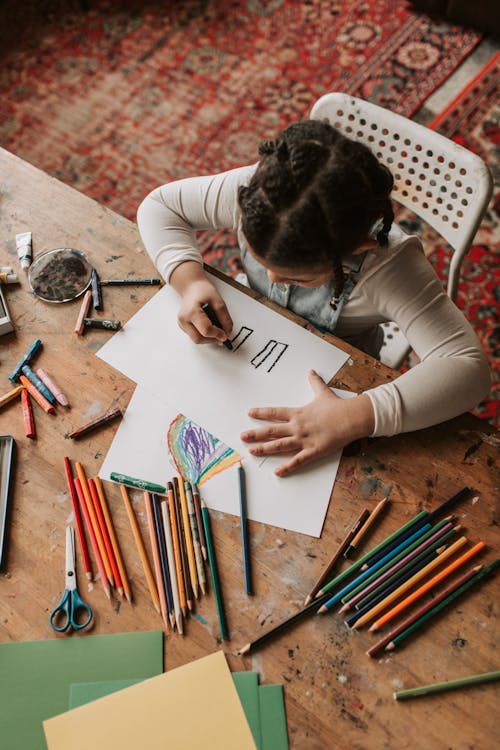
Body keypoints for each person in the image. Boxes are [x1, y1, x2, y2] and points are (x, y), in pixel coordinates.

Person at [137, 119, 490, 477]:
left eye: (295, 277)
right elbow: (159, 206)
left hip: (339, 377)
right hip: (252, 341)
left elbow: (468, 368)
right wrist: (190, 280)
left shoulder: (391, 267)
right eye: (263, 263)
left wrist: (357, 415)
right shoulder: (259, 196)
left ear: (357, 249)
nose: (272, 279)